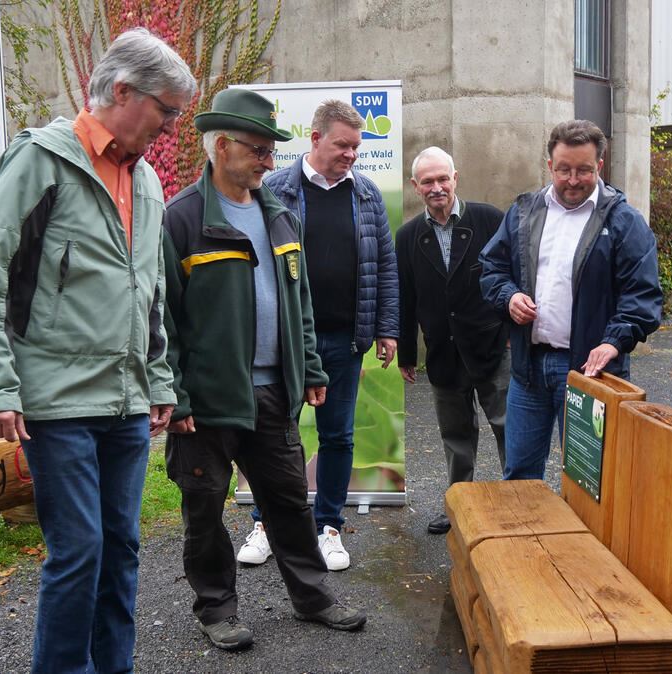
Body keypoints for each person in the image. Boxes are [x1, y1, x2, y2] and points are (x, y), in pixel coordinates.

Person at [0, 28, 194, 673]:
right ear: (122, 90)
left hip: (125, 403)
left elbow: (148, 293)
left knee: (121, 545)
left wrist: (159, 380)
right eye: (166, 110)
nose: (172, 127)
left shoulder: (146, 179)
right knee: (80, 549)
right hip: (54, 402)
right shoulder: (40, 160)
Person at [161, 88, 367, 650]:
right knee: (204, 511)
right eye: (257, 149)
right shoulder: (181, 220)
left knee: (287, 503)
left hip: (274, 392)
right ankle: (216, 609)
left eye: (271, 151)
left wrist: (313, 369)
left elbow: (299, 306)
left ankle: (312, 597)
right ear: (221, 146)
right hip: (206, 403)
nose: (268, 161)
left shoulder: (278, 216)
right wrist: (173, 396)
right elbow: (163, 320)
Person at [242, 99, 397, 571]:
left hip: (346, 340)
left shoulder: (367, 196)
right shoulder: (274, 189)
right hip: (283, 343)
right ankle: (266, 522)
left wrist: (387, 329)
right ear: (314, 139)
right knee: (275, 434)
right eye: (343, 145)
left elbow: (385, 267)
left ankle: (329, 526)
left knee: (337, 436)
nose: (352, 154)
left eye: (357, 147)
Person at [479, 119, 662, 480]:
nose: (573, 180)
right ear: (549, 165)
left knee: (589, 480)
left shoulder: (625, 222)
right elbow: (491, 268)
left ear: (600, 166)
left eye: (584, 170)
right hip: (528, 370)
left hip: (590, 374)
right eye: (563, 170)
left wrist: (614, 341)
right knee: (518, 474)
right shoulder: (524, 212)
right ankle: (525, 538)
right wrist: (509, 296)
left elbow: (642, 294)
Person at [396, 146, 508, 535]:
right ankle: (460, 503)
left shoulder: (490, 220)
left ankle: (519, 499)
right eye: (428, 181)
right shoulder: (409, 236)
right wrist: (406, 353)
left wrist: (512, 334)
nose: (437, 187)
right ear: (416, 186)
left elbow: (513, 278)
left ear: (456, 178)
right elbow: (405, 299)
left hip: (491, 344)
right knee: (456, 435)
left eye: (443, 178)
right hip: (443, 350)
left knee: (506, 425)